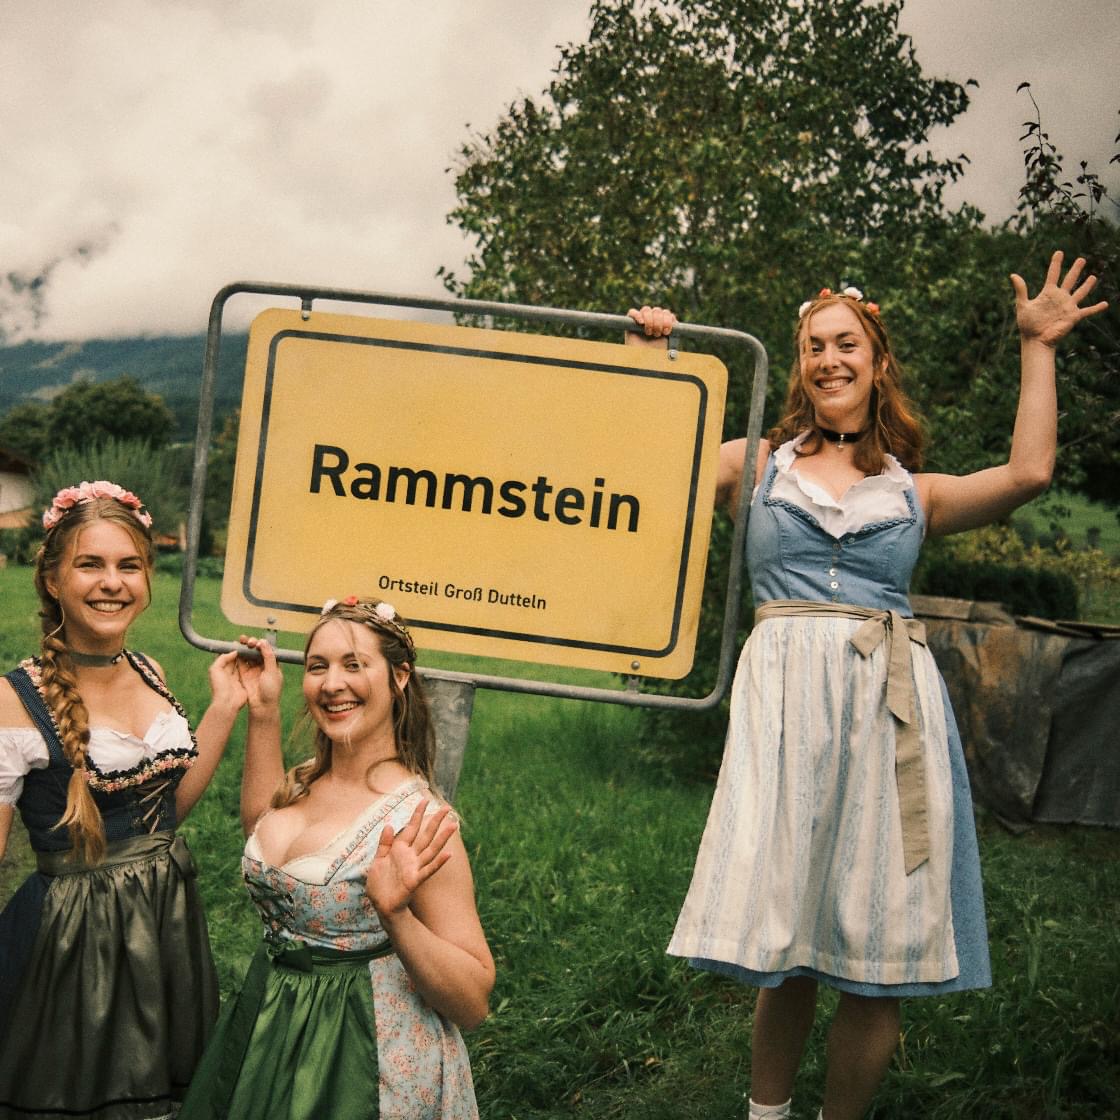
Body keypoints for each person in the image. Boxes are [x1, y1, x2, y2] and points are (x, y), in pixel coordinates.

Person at [628, 251, 1107, 1120]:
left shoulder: (915, 493)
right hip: (785, 713)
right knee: (789, 945)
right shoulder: (757, 463)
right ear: (800, 366)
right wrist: (654, 361)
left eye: (845, 344)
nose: (828, 360)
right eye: (814, 347)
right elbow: (650, 467)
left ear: (878, 361)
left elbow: (1028, 474)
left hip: (888, 715)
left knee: (877, 945)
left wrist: (1037, 346)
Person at [179, 595, 494, 1119]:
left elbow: (473, 1001)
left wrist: (396, 916)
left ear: (398, 677)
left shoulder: (418, 821)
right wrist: (263, 713)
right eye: (318, 666)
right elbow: (264, 826)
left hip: (364, 1054)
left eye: (354, 665)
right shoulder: (305, 780)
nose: (332, 684)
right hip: (271, 1024)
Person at [0, 479, 254, 1120]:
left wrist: (225, 708)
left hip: (165, 921)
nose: (112, 583)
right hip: (71, 938)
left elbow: (163, 819)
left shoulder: (149, 671)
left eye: (129, 565)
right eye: (90, 564)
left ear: (147, 578)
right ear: (53, 579)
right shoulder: (13, 700)